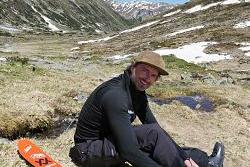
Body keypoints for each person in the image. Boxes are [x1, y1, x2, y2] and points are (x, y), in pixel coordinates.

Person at [69, 51, 225, 167]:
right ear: (133, 67)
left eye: (153, 75)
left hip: (108, 144)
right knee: (152, 136)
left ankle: (206, 162)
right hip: (87, 152)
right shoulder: (115, 95)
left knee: (165, 145)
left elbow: (156, 128)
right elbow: (129, 151)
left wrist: (184, 156)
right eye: (144, 70)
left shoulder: (137, 93)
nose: (147, 78)